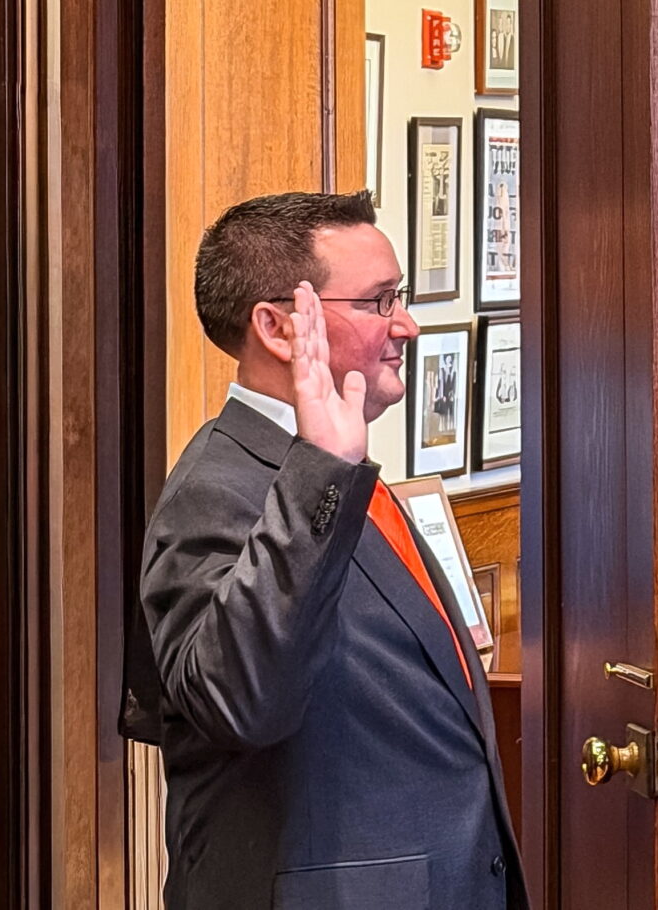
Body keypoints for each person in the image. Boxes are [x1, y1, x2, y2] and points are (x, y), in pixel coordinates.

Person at [133, 191, 527, 909]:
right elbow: (243, 704)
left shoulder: (341, 470)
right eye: (379, 302)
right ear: (277, 326)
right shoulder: (213, 489)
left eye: (399, 296)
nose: (405, 323)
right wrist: (322, 468)